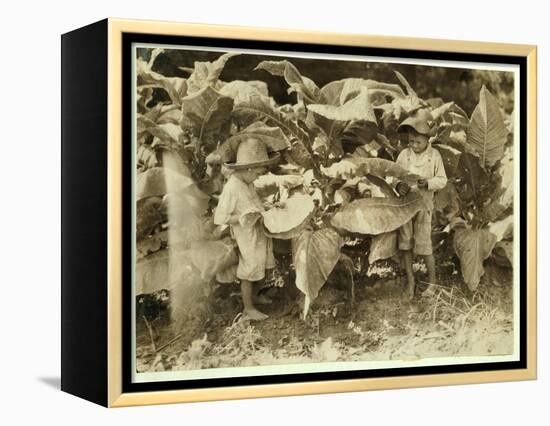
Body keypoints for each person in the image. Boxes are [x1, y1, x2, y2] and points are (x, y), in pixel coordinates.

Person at [213, 137, 279, 321]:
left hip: (258, 232)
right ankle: (248, 308)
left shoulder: (248, 183)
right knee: (249, 271)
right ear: (248, 169)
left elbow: (255, 203)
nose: (258, 177)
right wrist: (241, 218)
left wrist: (268, 206)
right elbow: (220, 217)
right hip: (246, 235)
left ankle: (256, 296)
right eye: (257, 173)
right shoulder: (232, 188)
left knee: (261, 264)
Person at [393, 109, 447, 300]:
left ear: (428, 139)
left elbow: (442, 180)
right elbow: (394, 175)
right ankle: (411, 281)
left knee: (424, 245)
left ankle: (432, 282)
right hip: (406, 207)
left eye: (418, 142)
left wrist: (428, 183)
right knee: (405, 243)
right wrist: (398, 185)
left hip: (424, 206)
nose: (414, 145)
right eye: (411, 141)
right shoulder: (404, 155)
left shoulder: (435, 156)